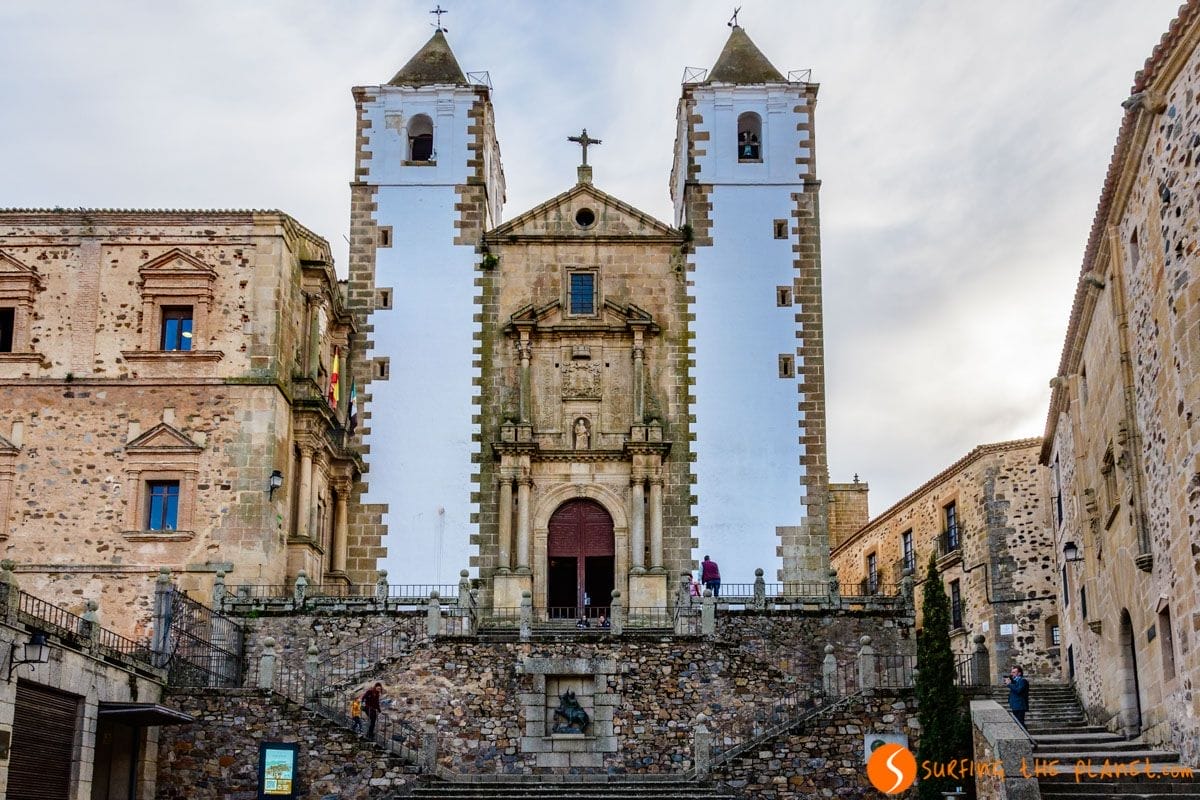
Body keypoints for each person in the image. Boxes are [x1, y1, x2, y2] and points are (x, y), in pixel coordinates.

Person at [1005, 666, 1030, 730]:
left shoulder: (1022, 681)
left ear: (1019, 673)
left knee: (1020, 722)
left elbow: (1018, 690)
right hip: (1015, 705)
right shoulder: (1015, 681)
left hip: (1020, 705)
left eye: (1014, 672)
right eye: (1011, 672)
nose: (1012, 674)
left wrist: (1009, 685)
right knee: (1018, 722)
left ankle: (1026, 736)